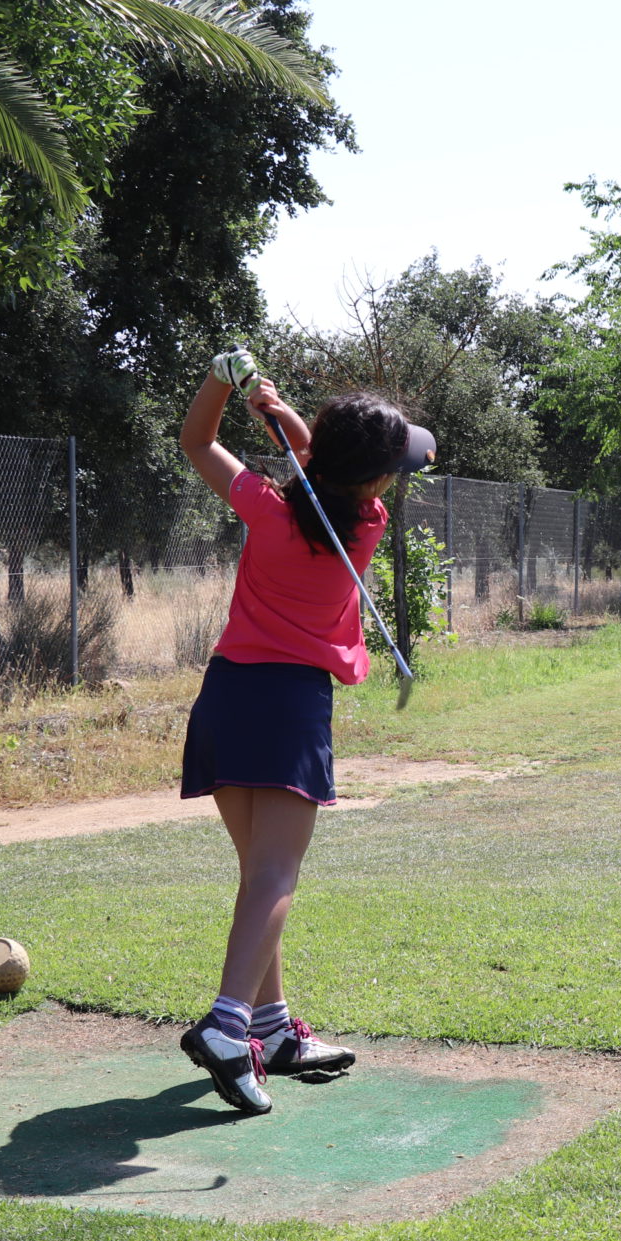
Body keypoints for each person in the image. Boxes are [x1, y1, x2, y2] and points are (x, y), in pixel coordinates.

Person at [174, 350, 435, 1115]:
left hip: (227, 697)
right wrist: (280, 412)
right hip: (290, 706)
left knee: (261, 874)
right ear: (373, 480)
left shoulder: (264, 506)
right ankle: (228, 1026)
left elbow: (196, 442)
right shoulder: (366, 524)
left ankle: (273, 1029)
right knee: (274, 878)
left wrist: (226, 383)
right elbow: (323, 466)